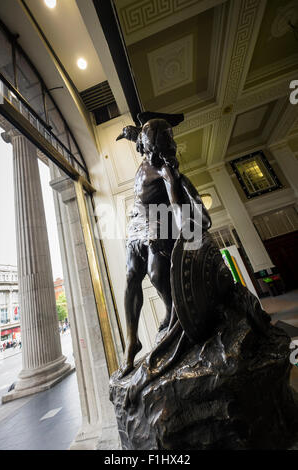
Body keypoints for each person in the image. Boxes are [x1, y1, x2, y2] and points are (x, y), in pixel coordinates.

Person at [116, 112, 211, 377]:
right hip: (137, 220)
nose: (146, 148)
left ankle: (174, 313)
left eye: (153, 142)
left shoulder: (163, 167)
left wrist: (187, 229)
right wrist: (130, 132)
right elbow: (138, 135)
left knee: (157, 274)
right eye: (146, 142)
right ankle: (132, 342)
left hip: (159, 219)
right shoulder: (145, 150)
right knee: (131, 275)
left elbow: (176, 202)